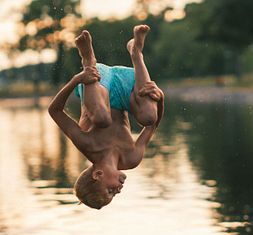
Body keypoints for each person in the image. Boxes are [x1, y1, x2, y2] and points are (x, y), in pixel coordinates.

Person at [48, 25, 165, 209]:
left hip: (97, 81)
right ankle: (136, 53)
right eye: (114, 195)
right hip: (126, 89)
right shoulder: (132, 158)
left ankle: (88, 60)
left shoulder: (88, 145)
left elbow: (54, 111)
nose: (118, 191)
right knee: (149, 116)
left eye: (110, 191)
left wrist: (77, 79)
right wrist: (159, 97)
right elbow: (152, 127)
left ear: (97, 175)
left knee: (102, 119)